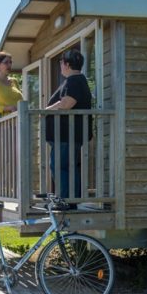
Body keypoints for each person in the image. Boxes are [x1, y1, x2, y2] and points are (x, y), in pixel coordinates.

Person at [45, 48, 93, 200]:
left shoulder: (74, 80)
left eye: (61, 62)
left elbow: (66, 103)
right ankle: (70, 201)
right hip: (67, 136)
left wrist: (44, 110)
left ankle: (66, 201)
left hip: (66, 136)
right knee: (68, 167)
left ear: (66, 64)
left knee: (60, 167)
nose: (60, 65)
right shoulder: (76, 80)